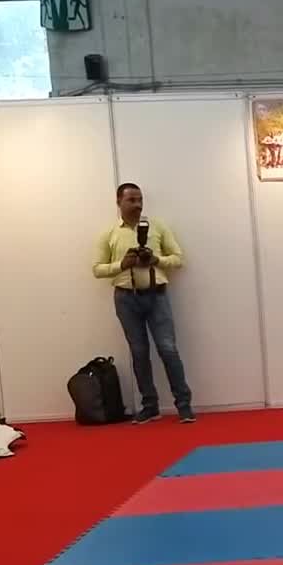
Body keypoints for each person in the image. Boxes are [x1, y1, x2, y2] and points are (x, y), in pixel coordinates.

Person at [92, 182, 195, 424]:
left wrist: (155, 259)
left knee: (168, 349)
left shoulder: (157, 227)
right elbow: (96, 269)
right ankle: (150, 407)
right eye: (131, 200)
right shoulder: (109, 233)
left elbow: (178, 259)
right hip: (126, 298)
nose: (137, 205)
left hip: (157, 295)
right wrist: (122, 265)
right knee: (139, 352)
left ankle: (184, 406)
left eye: (140, 200)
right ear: (119, 202)